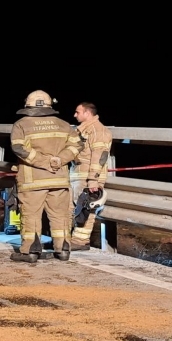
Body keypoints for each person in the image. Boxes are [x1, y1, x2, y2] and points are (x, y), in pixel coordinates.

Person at [9, 90, 84, 263]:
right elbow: (77, 146)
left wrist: (44, 162)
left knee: (31, 215)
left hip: (32, 181)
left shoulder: (21, 124)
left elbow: (19, 149)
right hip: (59, 178)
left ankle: (30, 251)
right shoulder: (64, 125)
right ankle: (63, 249)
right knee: (60, 215)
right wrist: (59, 160)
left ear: (28, 104)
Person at [70, 102, 112, 250]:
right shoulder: (82, 130)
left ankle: (80, 241)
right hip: (78, 174)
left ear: (87, 113)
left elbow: (99, 156)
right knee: (76, 207)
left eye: (77, 112)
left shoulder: (98, 131)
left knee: (86, 208)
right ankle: (73, 239)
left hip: (88, 177)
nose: (75, 115)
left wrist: (93, 180)